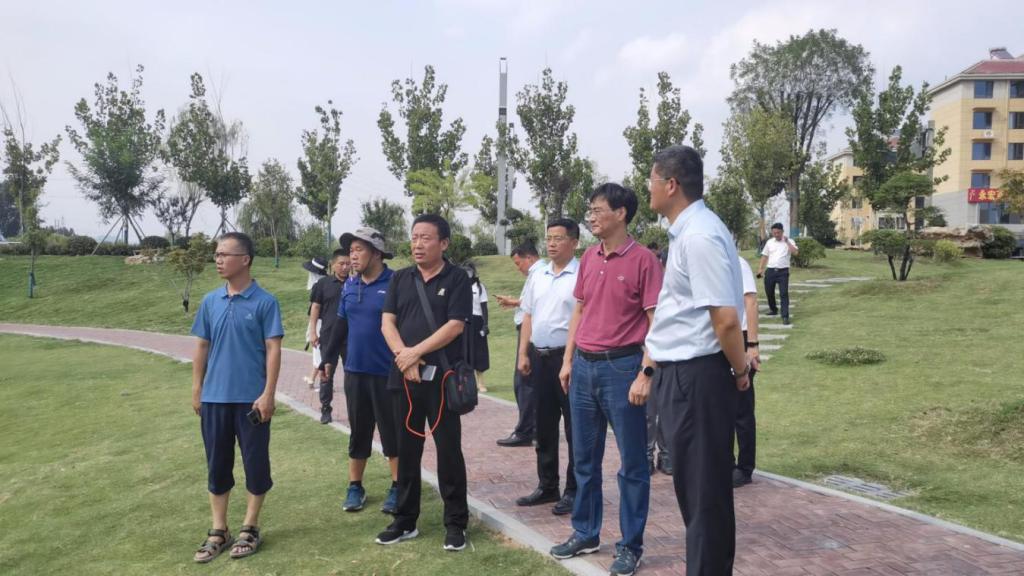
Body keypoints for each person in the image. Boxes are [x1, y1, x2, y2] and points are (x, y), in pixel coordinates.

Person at [645, 145, 749, 575]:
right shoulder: (689, 232)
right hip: (685, 375)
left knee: (704, 496)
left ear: (671, 185)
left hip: (698, 376)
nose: (648, 188)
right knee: (698, 494)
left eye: (652, 180)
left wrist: (740, 369)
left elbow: (725, 319)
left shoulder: (699, 235)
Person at [550, 184, 664, 576]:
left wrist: (646, 373)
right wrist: (568, 360)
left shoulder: (644, 261)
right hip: (584, 367)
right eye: (590, 210)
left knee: (632, 464)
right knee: (584, 460)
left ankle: (630, 546)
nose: (591, 217)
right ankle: (585, 532)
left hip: (623, 368)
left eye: (598, 210)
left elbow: (656, 322)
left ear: (621, 213)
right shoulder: (588, 257)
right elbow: (579, 311)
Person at [376, 214, 472, 552]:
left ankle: (456, 523)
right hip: (405, 378)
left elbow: (455, 325)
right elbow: (387, 322)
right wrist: (404, 358)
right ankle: (405, 520)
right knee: (406, 449)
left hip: (441, 380)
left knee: (448, 450)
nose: (417, 244)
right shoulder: (401, 278)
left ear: (443, 243)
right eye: (414, 237)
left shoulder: (457, 278)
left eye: (426, 238)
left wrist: (415, 352)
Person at [190, 232, 284, 563]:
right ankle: (219, 530)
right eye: (216, 254)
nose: (218, 260)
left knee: (255, 464)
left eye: (224, 254)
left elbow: (273, 349)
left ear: (245, 260)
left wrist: (268, 393)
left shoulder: (265, 302)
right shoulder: (210, 301)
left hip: (251, 401)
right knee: (217, 465)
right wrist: (198, 388)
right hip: (215, 399)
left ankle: (250, 526)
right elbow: (202, 345)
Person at [319, 228, 401, 514]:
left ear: (376, 253)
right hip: (355, 372)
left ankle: (398, 486)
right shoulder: (350, 286)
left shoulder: (396, 283)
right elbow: (340, 326)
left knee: (391, 433)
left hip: (387, 373)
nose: (352, 256)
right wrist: (327, 359)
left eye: (359, 250)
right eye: (350, 250)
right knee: (359, 431)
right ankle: (355, 486)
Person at [515, 218, 580, 517]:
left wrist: (569, 359)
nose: (552, 243)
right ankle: (547, 484)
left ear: (574, 242)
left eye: (559, 238)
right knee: (543, 425)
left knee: (574, 426)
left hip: (569, 359)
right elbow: (527, 314)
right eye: (549, 238)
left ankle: (574, 489)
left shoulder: (581, 273)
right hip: (538, 357)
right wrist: (523, 353)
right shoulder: (538, 274)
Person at [493, 244, 545, 447]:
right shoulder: (538, 273)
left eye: (518, 263)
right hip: (530, 330)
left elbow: (536, 304)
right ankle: (533, 428)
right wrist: (515, 302)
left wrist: (515, 303)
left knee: (524, 382)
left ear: (529, 258)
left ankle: (526, 430)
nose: (518, 268)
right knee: (528, 383)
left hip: (530, 332)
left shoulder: (539, 273)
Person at [309, 250, 350, 423]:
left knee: (352, 375)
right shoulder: (323, 284)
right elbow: (315, 307)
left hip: (350, 337)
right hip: (329, 336)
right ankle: (326, 409)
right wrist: (312, 331)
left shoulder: (355, 283)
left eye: (348, 264)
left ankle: (355, 409)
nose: (345, 267)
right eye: (341, 263)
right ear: (333, 265)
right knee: (326, 374)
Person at [734, 255, 762, 488]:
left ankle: (745, 467)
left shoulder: (738, 263)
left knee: (742, 407)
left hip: (741, 336)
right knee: (721, 407)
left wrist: (752, 345)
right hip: (719, 337)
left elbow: (750, 301)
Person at [756, 223, 798, 325]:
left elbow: (795, 252)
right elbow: (764, 256)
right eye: (774, 233)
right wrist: (760, 269)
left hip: (783, 272)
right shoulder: (770, 242)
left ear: (782, 231)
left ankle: (785, 316)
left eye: (778, 232)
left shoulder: (790, 241)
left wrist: (787, 242)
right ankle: (773, 309)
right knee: (769, 292)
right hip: (770, 271)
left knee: (783, 294)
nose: (776, 235)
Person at [464, 261, 491, 393]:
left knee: (479, 352)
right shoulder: (460, 286)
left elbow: (484, 308)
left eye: (470, 271)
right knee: (465, 352)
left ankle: (481, 382)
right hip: (464, 322)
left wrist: (485, 325)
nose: (468, 273)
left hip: (477, 321)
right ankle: (469, 383)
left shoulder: (480, 287)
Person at [302, 256, 328, 388]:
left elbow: (316, 307)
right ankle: (312, 378)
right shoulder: (325, 283)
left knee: (319, 351)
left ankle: (326, 383)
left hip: (320, 322)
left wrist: (312, 328)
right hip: (319, 321)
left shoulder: (320, 285)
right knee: (318, 352)